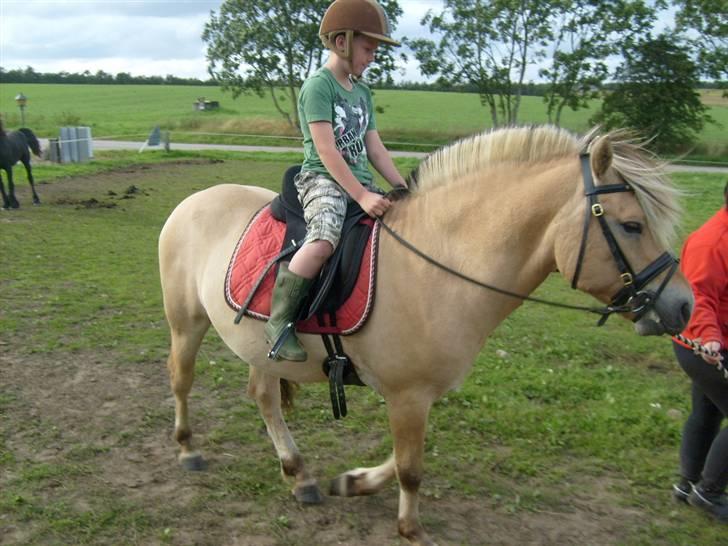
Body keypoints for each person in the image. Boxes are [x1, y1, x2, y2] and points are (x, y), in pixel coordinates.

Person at [264, 0, 408, 362]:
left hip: (358, 182)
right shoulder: (318, 86)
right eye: (368, 48)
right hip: (322, 180)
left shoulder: (362, 92)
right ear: (342, 42)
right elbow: (327, 150)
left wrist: (403, 187)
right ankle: (279, 322)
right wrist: (360, 195)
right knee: (324, 239)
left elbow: (375, 148)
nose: (373, 57)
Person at [672, 180, 728, 523]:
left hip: (715, 341)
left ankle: (687, 485)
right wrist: (709, 337)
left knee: (707, 412)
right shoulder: (713, 241)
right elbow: (699, 295)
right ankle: (708, 493)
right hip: (703, 346)